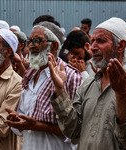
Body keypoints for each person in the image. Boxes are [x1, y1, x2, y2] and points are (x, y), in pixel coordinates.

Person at [49, 17, 126, 150]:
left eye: (101, 41)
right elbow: (73, 131)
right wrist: (60, 90)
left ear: (121, 46)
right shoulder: (88, 85)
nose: (93, 47)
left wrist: (122, 94)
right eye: (92, 41)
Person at [6, 21, 82, 150]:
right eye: (30, 41)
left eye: (38, 41)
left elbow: (74, 130)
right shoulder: (30, 74)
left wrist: (37, 125)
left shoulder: (70, 76)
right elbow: (25, 116)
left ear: (54, 46)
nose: (31, 46)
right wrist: (17, 119)